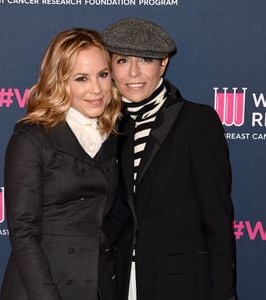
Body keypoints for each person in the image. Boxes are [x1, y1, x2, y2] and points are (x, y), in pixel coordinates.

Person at [102, 18, 236, 300]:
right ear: (111, 68)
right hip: (124, 282)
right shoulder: (112, 127)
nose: (134, 72)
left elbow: (218, 219)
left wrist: (223, 293)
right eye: (123, 60)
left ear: (163, 64)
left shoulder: (196, 122)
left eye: (146, 59)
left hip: (182, 285)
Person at [0, 28, 122, 300]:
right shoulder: (32, 139)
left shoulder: (114, 134)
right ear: (59, 81)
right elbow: (23, 234)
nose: (97, 89)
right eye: (81, 78)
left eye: (103, 75)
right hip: (42, 286)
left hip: (97, 285)